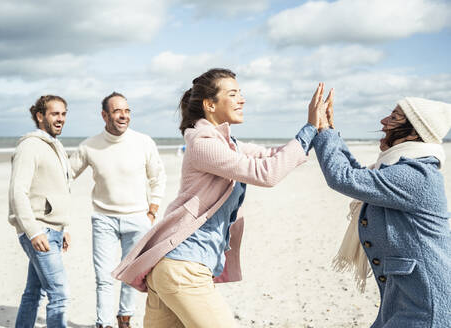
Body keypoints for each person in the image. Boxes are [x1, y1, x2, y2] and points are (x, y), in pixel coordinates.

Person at [112, 68, 328, 327]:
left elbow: (272, 156)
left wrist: (318, 132)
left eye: (241, 93)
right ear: (210, 105)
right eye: (233, 93)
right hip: (184, 268)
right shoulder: (203, 144)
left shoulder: (228, 144)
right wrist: (309, 127)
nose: (242, 99)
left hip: (173, 269)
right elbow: (266, 174)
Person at [311, 89, 451, 327]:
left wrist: (321, 129)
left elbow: (344, 178)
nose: (383, 121)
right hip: (404, 300)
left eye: (394, 117)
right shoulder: (398, 170)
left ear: (415, 134)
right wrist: (331, 131)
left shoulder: (416, 175)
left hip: (428, 306)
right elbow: (359, 176)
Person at [70, 92, 166, 328]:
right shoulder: (89, 146)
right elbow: (65, 176)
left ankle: (124, 319)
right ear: (104, 115)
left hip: (138, 218)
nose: (123, 116)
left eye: (127, 111)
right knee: (103, 278)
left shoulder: (143, 142)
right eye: (117, 111)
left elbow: (158, 177)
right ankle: (103, 324)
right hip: (103, 219)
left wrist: (153, 209)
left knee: (131, 276)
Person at [8, 95, 71, 328]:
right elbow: (17, 192)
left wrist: (64, 227)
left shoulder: (56, 146)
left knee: (34, 293)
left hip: (53, 229)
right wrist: (34, 232)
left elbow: (57, 190)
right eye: (55, 113)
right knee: (60, 293)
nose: (61, 119)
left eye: (64, 114)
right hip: (39, 230)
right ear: (40, 116)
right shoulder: (30, 146)